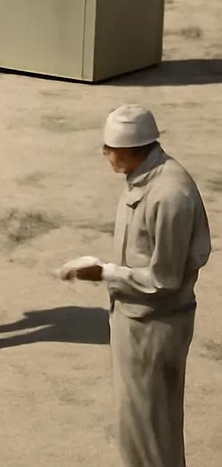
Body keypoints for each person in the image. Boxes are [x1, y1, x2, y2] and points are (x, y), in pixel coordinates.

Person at [62, 105, 211, 467]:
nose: (105, 154)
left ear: (131, 149)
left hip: (157, 323)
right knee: (134, 425)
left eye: (110, 148)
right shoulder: (142, 177)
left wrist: (105, 273)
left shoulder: (169, 194)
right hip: (134, 316)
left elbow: (165, 278)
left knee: (151, 427)